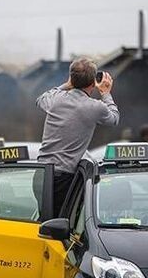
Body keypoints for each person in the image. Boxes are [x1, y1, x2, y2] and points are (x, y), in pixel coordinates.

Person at [37, 57, 119, 215]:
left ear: (71, 79)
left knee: (45, 224)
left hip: (40, 175)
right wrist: (106, 93)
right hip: (63, 179)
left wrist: (67, 85)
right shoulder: (95, 107)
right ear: (92, 82)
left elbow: (40, 99)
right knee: (61, 228)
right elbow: (114, 119)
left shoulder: (55, 99)